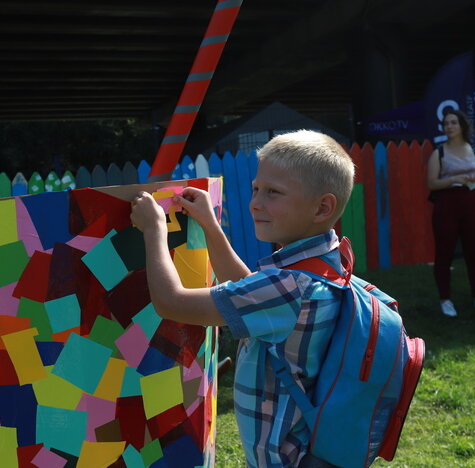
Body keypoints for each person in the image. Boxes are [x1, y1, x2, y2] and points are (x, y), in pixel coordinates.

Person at [131, 130, 358, 468]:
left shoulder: (289, 287)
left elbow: (172, 303)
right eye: (255, 189)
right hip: (308, 448)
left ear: (322, 207)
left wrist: (154, 232)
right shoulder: (324, 263)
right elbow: (246, 286)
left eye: (273, 193)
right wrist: (210, 225)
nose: (255, 202)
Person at [426, 110, 475, 317]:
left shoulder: (474, 151)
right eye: (446, 123)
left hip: (472, 202)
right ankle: (445, 300)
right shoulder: (438, 153)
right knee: (444, 252)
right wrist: (454, 179)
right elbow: (431, 183)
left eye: (453, 123)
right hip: (446, 204)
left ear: (462, 126)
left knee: (474, 251)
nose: (449, 127)